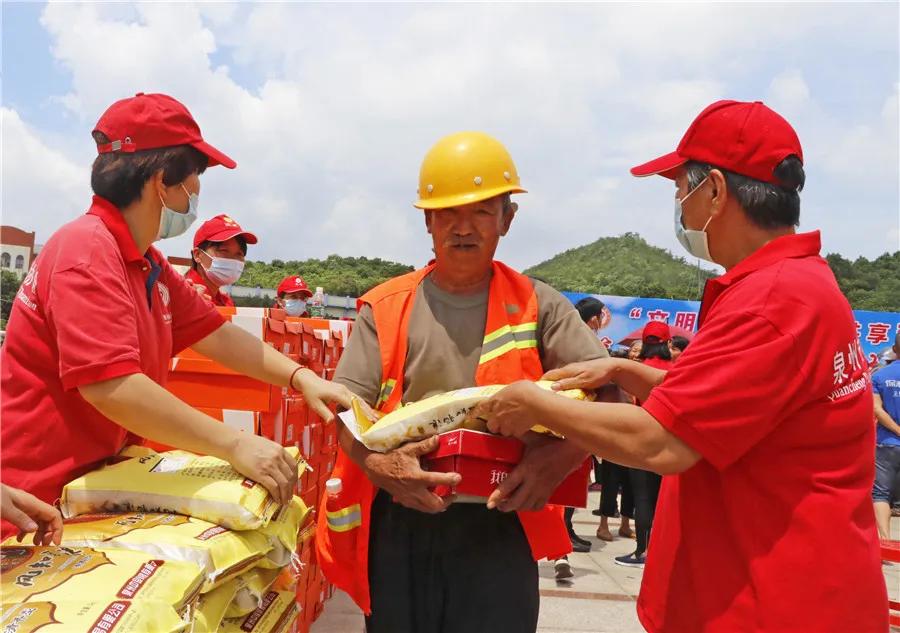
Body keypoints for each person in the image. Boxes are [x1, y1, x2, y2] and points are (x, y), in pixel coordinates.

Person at [470, 100, 887, 632]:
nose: (679, 208)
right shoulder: (801, 284)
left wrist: (531, 401)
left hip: (771, 603)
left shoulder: (771, 302)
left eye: (679, 190)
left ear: (714, 190)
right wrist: (625, 373)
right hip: (793, 588)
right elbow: (746, 403)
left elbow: (660, 442)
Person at [0, 93, 352, 540]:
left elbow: (216, 334)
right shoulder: (86, 252)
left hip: (94, 488)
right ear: (163, 181)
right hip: (37, 504)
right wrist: (235, 444)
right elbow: (113, 386)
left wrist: (302, 379)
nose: (197, 195)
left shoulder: (148, 263)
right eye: (195, 181)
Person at [316, 131, 610, 633]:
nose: (462, 227)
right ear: (427, 221)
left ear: (507, 220)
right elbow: (345, 408)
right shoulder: (385, 307)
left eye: (480, 211)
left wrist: (558, 459)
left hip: (501, 523)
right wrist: (380, 465)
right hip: (402, 520)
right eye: (447, 212)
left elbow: (609, 394)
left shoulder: (541, 306)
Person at [614, 321, 672, 568]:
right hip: (670, 446)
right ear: (668, 343)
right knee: (663, 501)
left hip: (641, 444)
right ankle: (660, 552)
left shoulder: (636, 371)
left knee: (643, 499)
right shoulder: (676, 370)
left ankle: (642, 551)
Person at [185, 214, 256, 306]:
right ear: (198, 255)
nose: (233, 260)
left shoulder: (226, 302)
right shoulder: (182, 295)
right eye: (224, 251)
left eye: (239, 254)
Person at [873, 332, 900, 539]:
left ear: (896, 350)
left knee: (881, 493)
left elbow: (877, 409)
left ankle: (885, 543)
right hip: (887, 443)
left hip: (887, 443)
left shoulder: (880, 376)